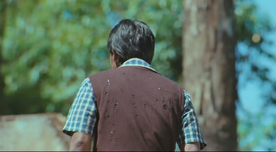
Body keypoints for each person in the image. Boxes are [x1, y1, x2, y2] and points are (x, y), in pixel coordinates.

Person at [63, 19, 206, 151]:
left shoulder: (92, 86)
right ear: (151, 55)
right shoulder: (180, 95)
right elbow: (192, 148)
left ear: (115, 55)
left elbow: (80, 142)